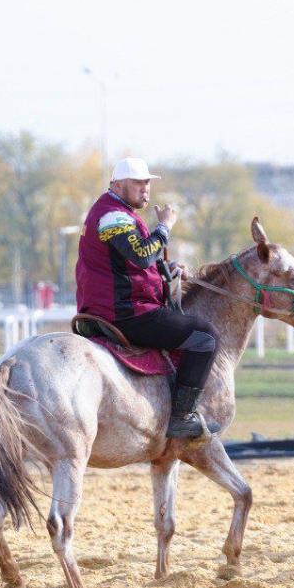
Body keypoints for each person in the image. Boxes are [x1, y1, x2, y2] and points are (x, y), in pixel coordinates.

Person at [76, 157, 219, 440]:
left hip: (120, 306)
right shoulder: (112, 216)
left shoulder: (119, 213)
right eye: (138, 183)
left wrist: (166, 269)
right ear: (117, 184)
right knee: (206, 336)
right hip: (126, 312)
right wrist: (164, 226)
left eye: (147, 183)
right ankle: (181, 418)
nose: (146, 189)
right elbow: (141, 255)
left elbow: (137, 262)